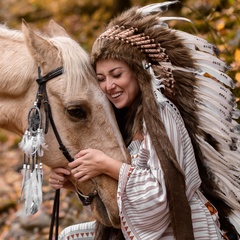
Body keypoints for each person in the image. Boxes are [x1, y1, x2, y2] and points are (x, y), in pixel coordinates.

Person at [49, 2, 240, 240]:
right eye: (101, 78)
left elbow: (160, 199)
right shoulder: (121, 122)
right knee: (69, 236)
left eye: (117, 74)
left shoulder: (164, 115)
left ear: (138, 72)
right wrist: (75, 181)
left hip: (185, 229)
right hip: (150, 229)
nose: (109, 85)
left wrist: (106, 165)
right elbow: (118, 206)